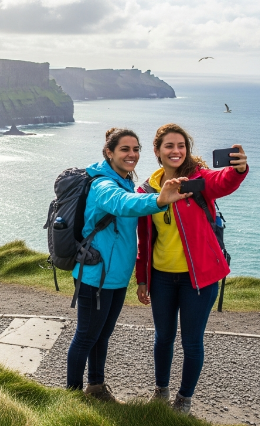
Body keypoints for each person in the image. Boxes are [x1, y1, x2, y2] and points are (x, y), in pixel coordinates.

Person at [66, 128, 190, 401]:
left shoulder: (122, 181)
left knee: (102, 335)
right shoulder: (103, 185)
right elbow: (122, 204)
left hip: (116, 276)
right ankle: (71, 397)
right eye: (124, 149)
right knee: (86, 336)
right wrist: (158, 200)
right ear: (109, 152)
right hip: (95, 276)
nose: (132, 155)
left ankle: (96, 387)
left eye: (136, 149)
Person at [136, 123, 248, 414]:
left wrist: (237, 170)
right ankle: (161, 391)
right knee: (163, 337)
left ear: (187, 150)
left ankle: (184, 399)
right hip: (161, 277)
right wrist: (143, 280)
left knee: (192, 341)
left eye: (181, 146)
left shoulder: (198, 180)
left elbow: (221, 181)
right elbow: (145, 240)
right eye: (169, 146)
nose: (176, 151)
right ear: (157, 151)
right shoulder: (148, 189)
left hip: (199, 279)